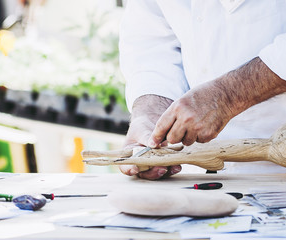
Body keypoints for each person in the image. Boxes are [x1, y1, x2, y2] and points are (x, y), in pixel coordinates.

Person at [119, 0, 286, 180]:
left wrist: (227, 96)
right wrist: (151, 114)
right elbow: (150, 42)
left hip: (278, 171)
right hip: (192, 174)